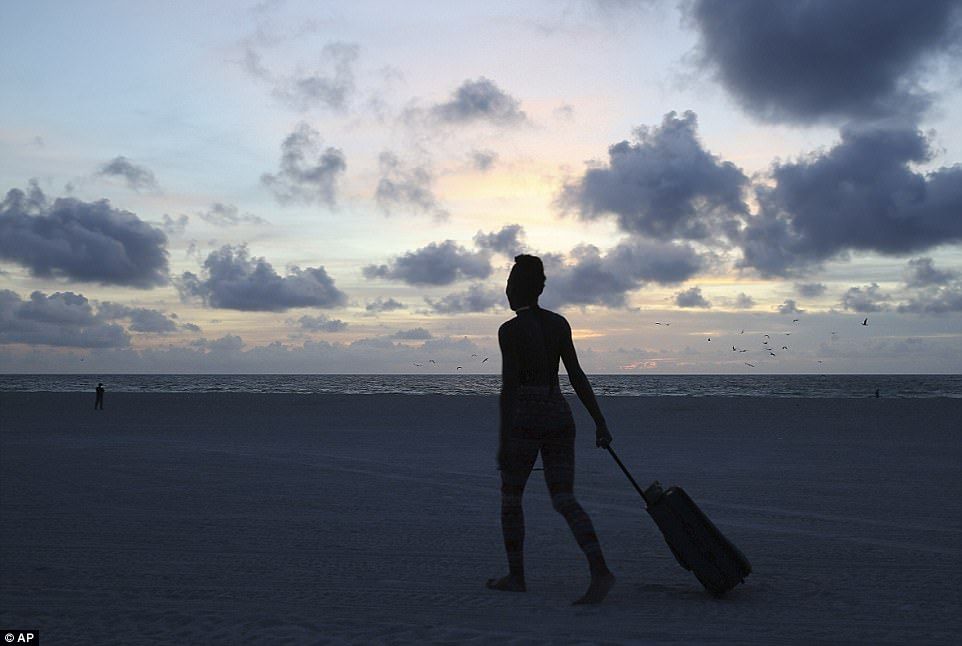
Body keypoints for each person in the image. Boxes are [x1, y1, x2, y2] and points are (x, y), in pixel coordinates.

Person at [487, 254, 616, 605]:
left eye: (510, 285)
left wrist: (502, 440)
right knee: (563, 498)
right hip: (559, 415)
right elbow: (575, 375)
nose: (507, 292)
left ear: (520, 289)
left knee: (511, 498)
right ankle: (600, 570)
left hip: (527, 418)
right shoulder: (559, 324)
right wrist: (599, 421)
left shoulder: (510, 331)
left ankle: (517, 576)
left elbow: (510, 388)